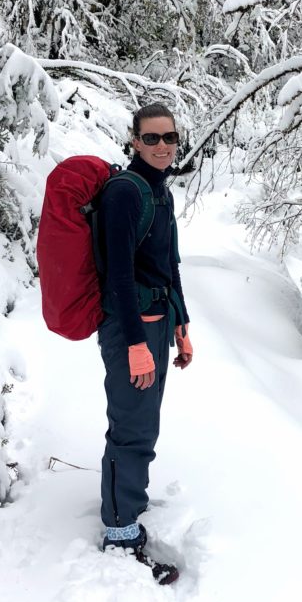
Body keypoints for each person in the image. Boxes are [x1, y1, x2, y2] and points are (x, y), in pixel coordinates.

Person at [97, 102, 192, 554]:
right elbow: (117, 274)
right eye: (151, 138)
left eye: (168, 138)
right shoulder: (125, 193)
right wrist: (136, 343)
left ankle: (128, 500)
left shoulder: (161, 192)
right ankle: (119, 530)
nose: (161, 146)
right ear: (134, 140)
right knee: (131, 426)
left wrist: (182, 322)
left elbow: (167, 263)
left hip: (158, 322)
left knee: (144, 424)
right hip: (130, 327)